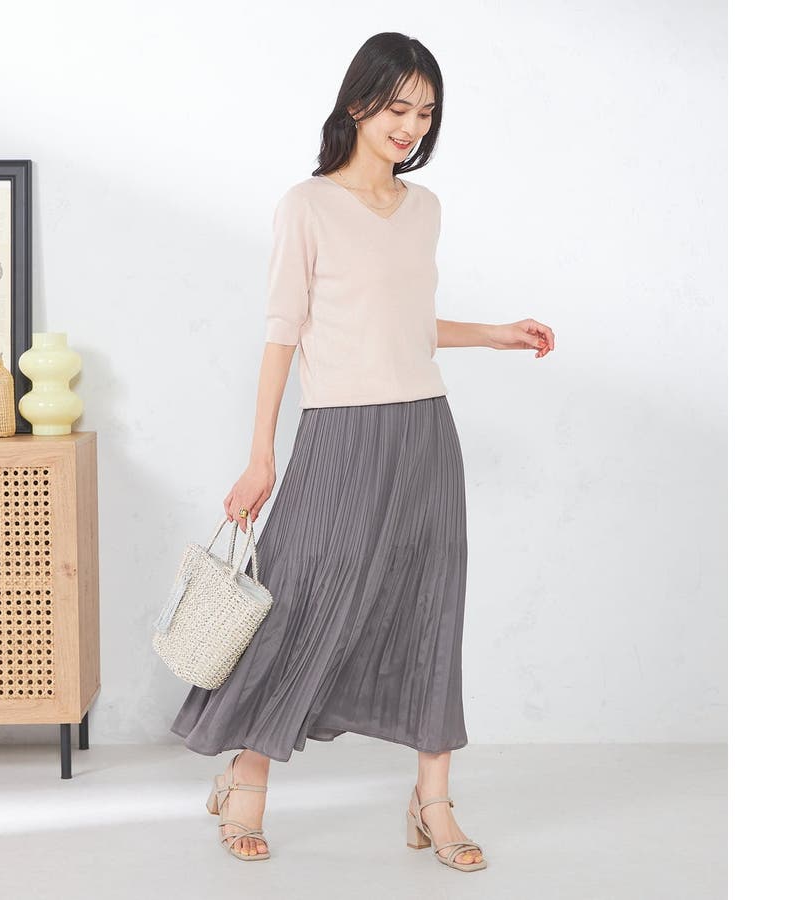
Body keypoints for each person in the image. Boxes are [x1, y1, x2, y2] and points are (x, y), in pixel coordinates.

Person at [171, 31, 555, 870]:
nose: (411, 127)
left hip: (426, 432)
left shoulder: (425, 209)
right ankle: (245, 778)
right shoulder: (305, 206)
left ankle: (432, 802)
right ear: (357, 105)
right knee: (297, 599)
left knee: (430, 609)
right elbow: (283, 331)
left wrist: (495, 333)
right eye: (397, 108)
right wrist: (261, 456)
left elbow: (403, 321)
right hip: (340, 433)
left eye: (426, 113)